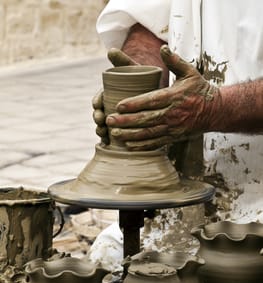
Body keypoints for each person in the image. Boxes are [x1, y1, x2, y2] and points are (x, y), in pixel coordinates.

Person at [93, 0, 263, 225]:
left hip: (257, 206)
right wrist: (140, 82)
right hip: (177, 198)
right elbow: (150, 23)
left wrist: (216, 108)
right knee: (108, 253)